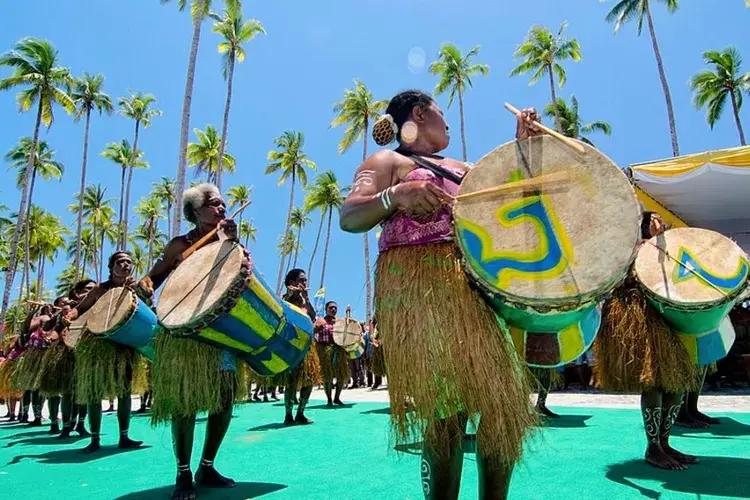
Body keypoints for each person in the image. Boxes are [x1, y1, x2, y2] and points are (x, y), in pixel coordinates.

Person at [339, 89, 538, 499]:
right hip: (421, 287)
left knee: (503, 409)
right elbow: (350, 214)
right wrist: (397, 195)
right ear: (419, 113)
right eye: (441, 112)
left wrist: (524, 148)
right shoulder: (389, 162)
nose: (447, 121)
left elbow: (509, 204)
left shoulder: (464, 167)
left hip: (475, 285)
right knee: (448, 413)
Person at [138, 183, 243, 500]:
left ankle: (206, 466)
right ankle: (183, 473)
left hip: (220, 331)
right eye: (214, 204)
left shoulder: (229, 241)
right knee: (185, 403)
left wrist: (232, 241)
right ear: (196, 211)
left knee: (224, 399)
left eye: (223, 204)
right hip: (184, 334)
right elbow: (152, 278)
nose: (221, 208)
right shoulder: (178, 246)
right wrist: (144, 285)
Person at [593, 211, 701, 470]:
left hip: (666, 319)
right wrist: (654, 242)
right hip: (638, 318)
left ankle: (665, 443)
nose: (660, 222)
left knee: (676, 383)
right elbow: (628, 278)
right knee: (654, 383)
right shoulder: (632, 249)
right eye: (654, 219)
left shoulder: (668, 247)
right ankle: (653, 448)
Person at [64, 251, 144, 453]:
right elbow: (79, 309)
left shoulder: (134, 289)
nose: (125, 265)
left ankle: (124, 437)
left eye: (128, 261)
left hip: (124, 344)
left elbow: (146, 311)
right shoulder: (100, 289)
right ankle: (95, 439)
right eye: (120, 262)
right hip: (99, 345)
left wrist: (143, 293)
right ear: (111, 267)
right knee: (94, 393)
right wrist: (69, 314)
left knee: (124, 391)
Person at [281, 269, 322, 425]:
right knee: (291, 381)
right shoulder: (286, 298)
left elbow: (312, 317)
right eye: (302, 280)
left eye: (306, 280)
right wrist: (292, 295)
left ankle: (300, 413)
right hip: (292, 345)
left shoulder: (305, 300)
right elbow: (284, 311)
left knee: (309, 379)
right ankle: (288, 415)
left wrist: (306, 299)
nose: (305, 283)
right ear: (292, 282)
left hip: (308, 346)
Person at [314, 302, 350, 407]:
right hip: (325, 350)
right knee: (327, 377)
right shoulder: (320, 321)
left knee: (341, 376)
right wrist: (316, 327)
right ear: (326, 309)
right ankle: (329, 399)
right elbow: (313, 332)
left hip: (338, 350)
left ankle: (337, 398)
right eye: (331, 308)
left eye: (335, 308)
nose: (333, 309)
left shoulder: (340, 321)